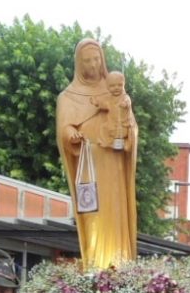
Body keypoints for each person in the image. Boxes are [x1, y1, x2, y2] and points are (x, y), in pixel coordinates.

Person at [56, 38, 139, 269]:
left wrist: (127, 132)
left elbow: (131, 125)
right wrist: (70, 133)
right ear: (78, 63)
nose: (93, 65)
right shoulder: (68, 97)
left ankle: (119, 265)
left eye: (96, 59)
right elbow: (63, 128)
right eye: (87, 61)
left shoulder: (115, 91)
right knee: (93, 213)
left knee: (115, 213)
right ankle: (96, 266)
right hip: (89, 162)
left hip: (113, 164)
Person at [89, 71, 133, 150]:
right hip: (112, 122)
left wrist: (125, 104)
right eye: (112, 86)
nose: (116, 88)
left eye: (120, 85)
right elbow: (104, 105)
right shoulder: (109, 99)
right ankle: (110, 144)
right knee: (104, 128)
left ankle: (126, 143)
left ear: (123, 85)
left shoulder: (124, 97)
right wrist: (96, 102)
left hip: (123, 124)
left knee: (121, 133)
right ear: (108, 87)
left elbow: (128, 102)